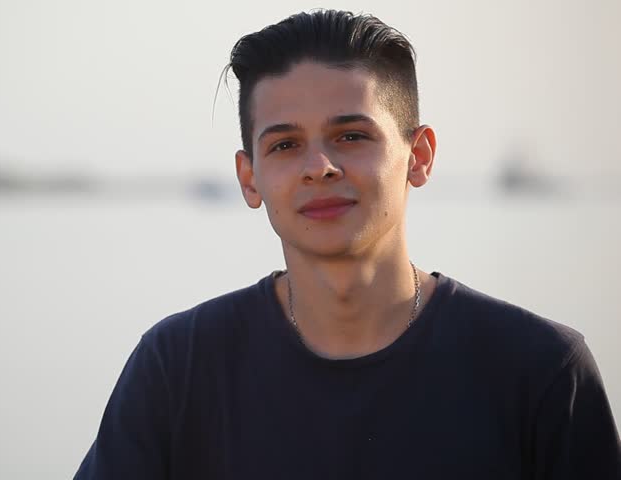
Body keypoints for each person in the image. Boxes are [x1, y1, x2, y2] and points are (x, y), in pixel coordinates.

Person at [74, 10, 621, 479]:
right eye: (285, 145)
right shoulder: (178, 369)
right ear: (249, 178)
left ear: (419, 156)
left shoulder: (541, 371)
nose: (320, 167)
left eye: (351, 136)